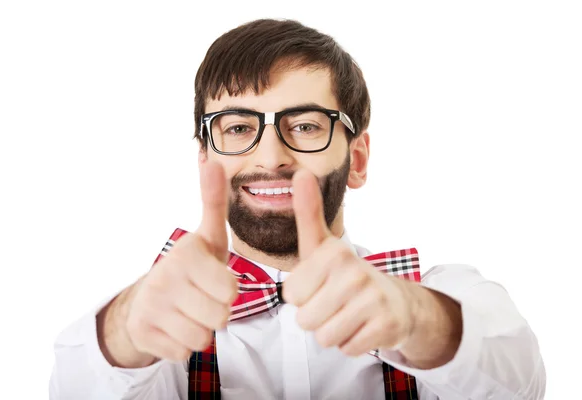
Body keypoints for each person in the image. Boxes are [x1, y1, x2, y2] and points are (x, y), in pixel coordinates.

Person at [49, 18, 545, 399]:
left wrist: (414, 316)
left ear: (357, 159)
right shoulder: (164, 326)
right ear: (205, 160)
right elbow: (74, 385)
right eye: (238, 127)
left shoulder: (444, 293)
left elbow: (521, 380)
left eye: (305, 126)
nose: (270, 157)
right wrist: (125, 329)